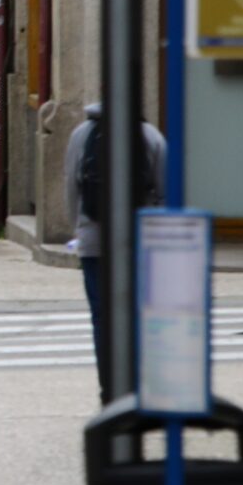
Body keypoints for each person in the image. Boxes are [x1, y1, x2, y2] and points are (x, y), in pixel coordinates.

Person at [66, 104, 168, 402]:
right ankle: (137, 384)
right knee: (139, 313)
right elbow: (165, 192)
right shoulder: (150, 135)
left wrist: (80, 230)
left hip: (94, 240)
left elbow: (71, 186)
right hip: (138, 241)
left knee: (101, 317)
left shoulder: (81, 134)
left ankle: (109, 390)